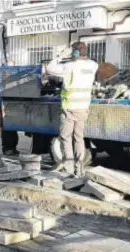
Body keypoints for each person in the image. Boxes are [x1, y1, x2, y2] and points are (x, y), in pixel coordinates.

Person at [46, 42, 98, 178]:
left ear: (74, 52)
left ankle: (68, 169)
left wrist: (61, 55)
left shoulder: (69, 66)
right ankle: (79, 169)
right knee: (79, 138)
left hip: (69, 108)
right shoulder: (93, 65)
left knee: (65, 137)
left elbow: (50, 68)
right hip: (83, 107)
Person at [0, 61, 20, 156]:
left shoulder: (13, 78)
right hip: (5, 105)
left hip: (11, 105)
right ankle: (8, 148)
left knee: (13, 127)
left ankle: (12, 147)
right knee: (7, 127)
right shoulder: (2, 79)